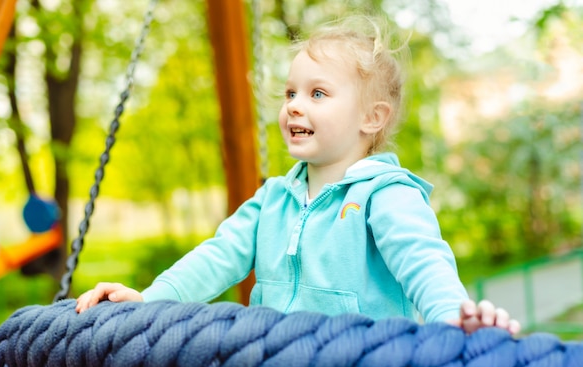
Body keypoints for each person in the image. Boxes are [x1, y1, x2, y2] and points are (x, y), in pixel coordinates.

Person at [77, 16, 520, 333]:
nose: (293, 104)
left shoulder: (385, 196)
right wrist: (150, 300)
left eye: (317, 93)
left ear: (372, 117)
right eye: (290, 91)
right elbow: (218, 256)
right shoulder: (273, 198)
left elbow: (423, 263)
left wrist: (455, 318)